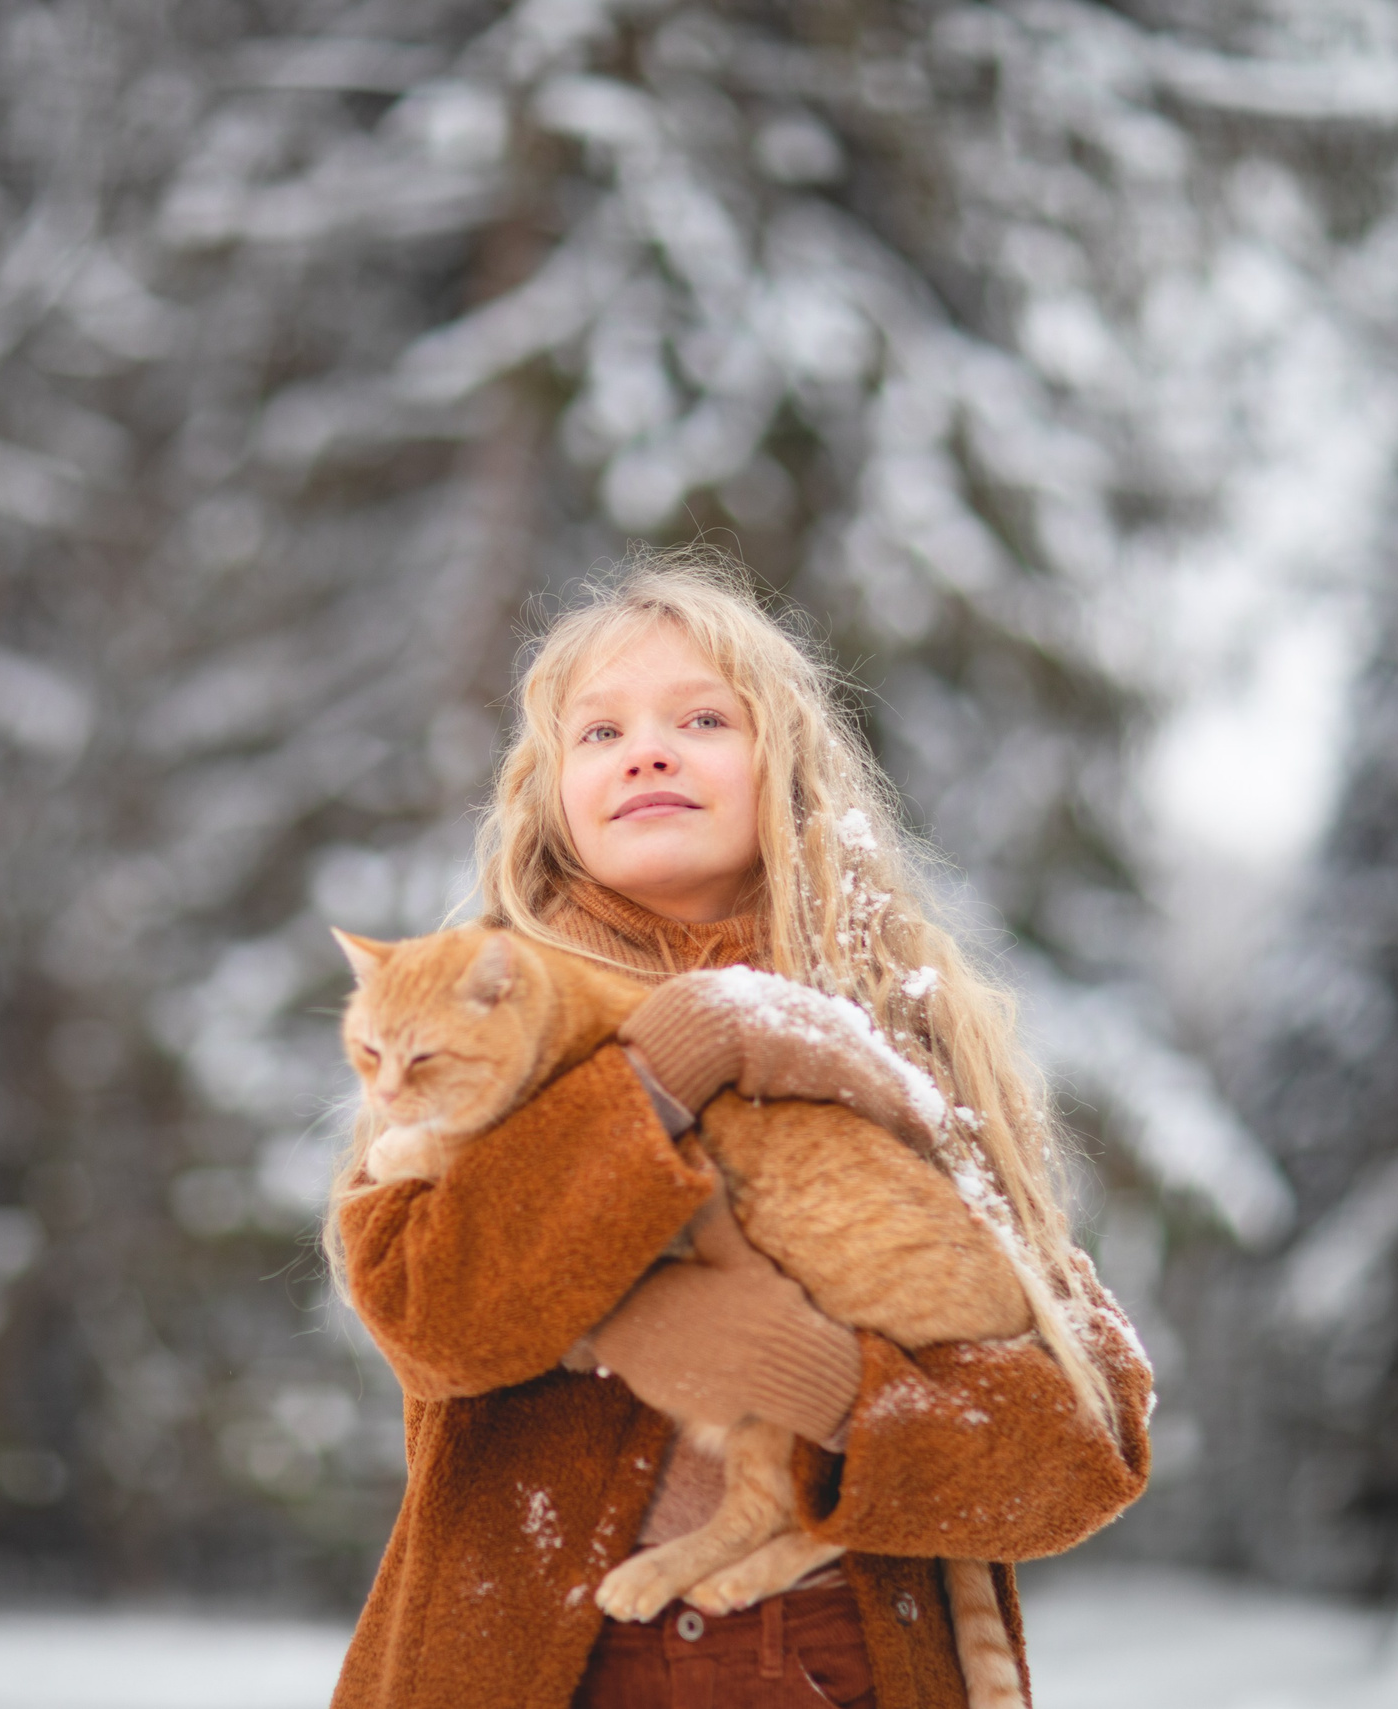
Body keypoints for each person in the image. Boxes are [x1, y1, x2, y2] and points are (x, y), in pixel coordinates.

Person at [327, 553, 1151, 1709]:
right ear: (547, 789)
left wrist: (825, 1383)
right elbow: (435, 1320)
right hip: (542, 1664)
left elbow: (1079, 1451)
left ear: (785, 763)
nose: (647, 750)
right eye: (598, 730)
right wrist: (668, 1060)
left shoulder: (905, 1030)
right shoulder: (461, 1021)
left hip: (837, 1655)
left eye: (701, 717)